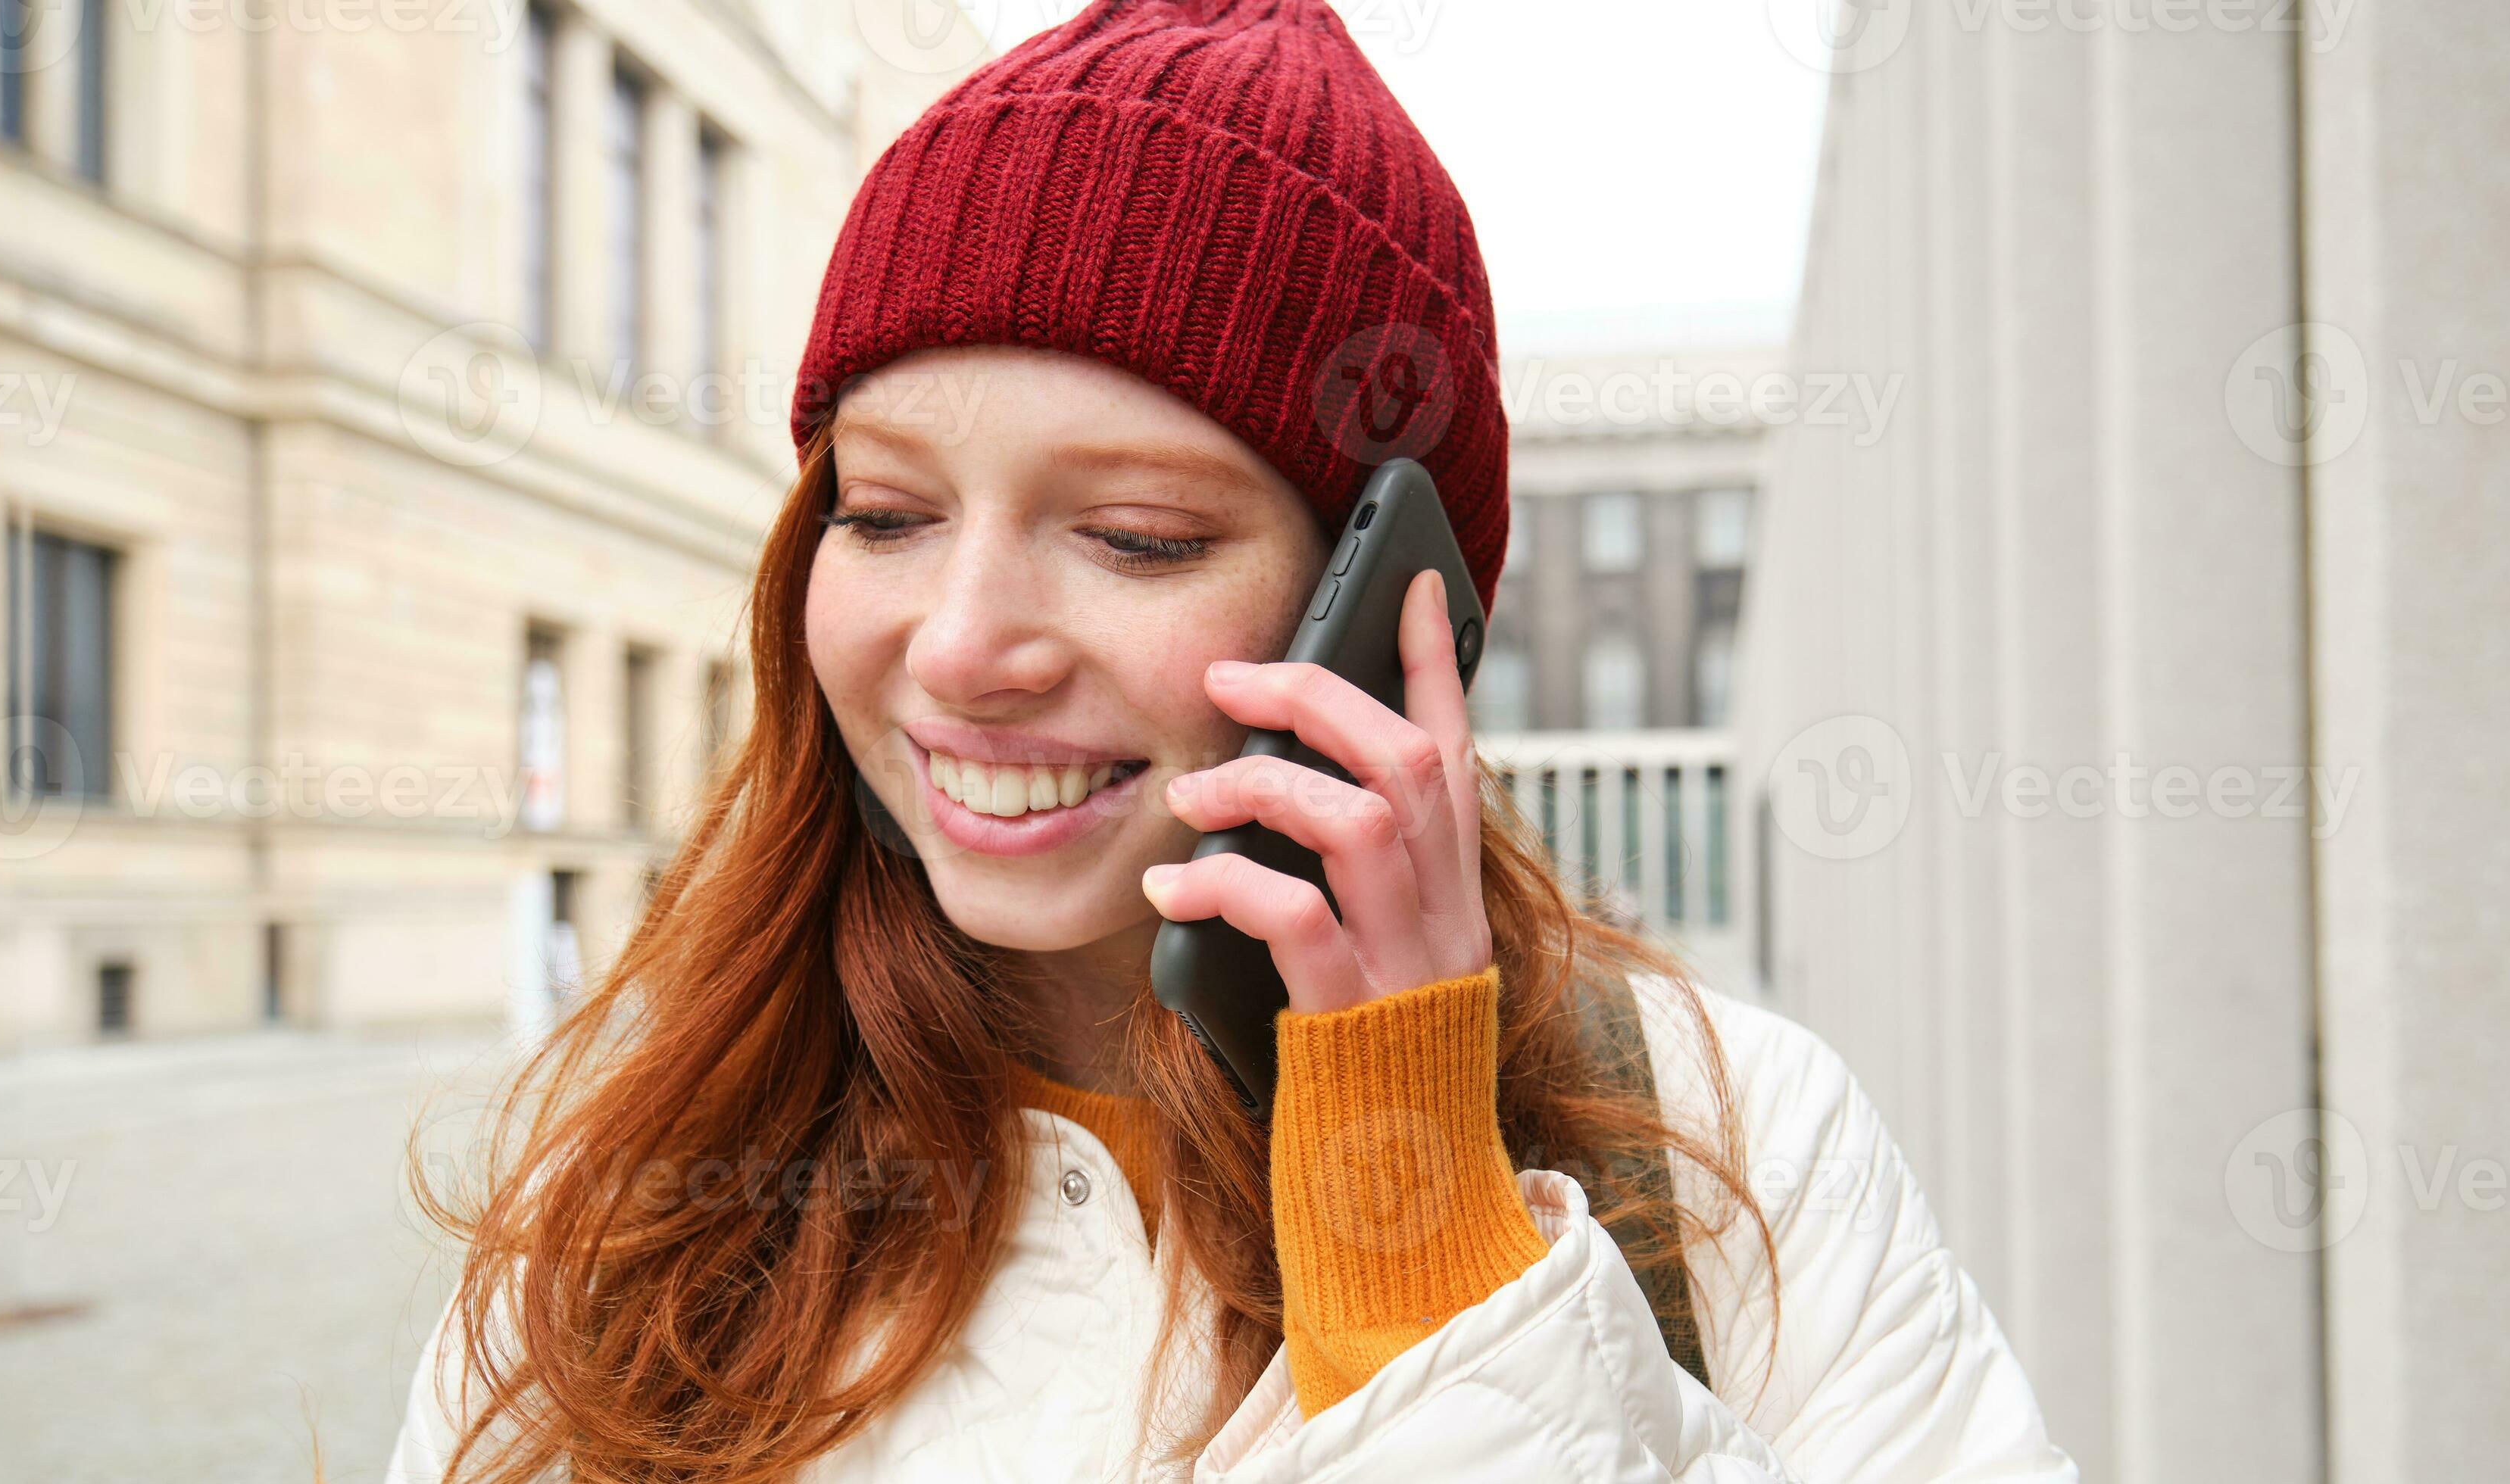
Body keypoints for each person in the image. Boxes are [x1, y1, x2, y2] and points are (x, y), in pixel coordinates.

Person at [389, 2, 2071, 1479]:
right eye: (886, 511)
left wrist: (1436, 1279)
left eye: (1132, 536)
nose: (962, 645)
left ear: (1393, 608)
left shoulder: (1732, 1139)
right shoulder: (638, 1196)